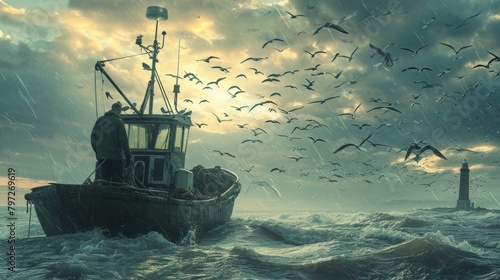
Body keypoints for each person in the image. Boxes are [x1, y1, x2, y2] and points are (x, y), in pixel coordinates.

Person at [90, 102, 132, 183]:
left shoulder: (99, 120)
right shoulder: (119, 122)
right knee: (117, 181)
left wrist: (98, 152)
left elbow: (93, 138)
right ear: (119, 110)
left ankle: (105, 193)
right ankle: (117, 194)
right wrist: (128, 155)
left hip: (102, 157)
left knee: (105, 179)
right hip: (115, 157)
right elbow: (123, 141)